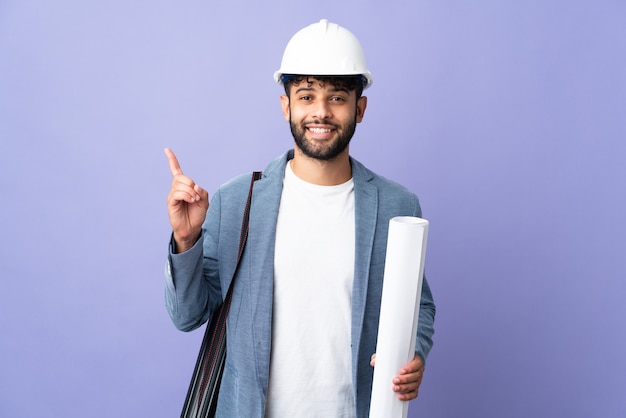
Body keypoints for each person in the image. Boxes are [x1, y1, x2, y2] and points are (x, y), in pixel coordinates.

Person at [164, 19, 436, 417]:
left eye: (338, 98)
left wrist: (414, 350)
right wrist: (186, 241)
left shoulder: (397, 205)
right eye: (307, 96)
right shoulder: (238, 200)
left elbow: (420, 306)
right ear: (286, 105)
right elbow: (187, 317)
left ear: (359, 108)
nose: (321, 112)